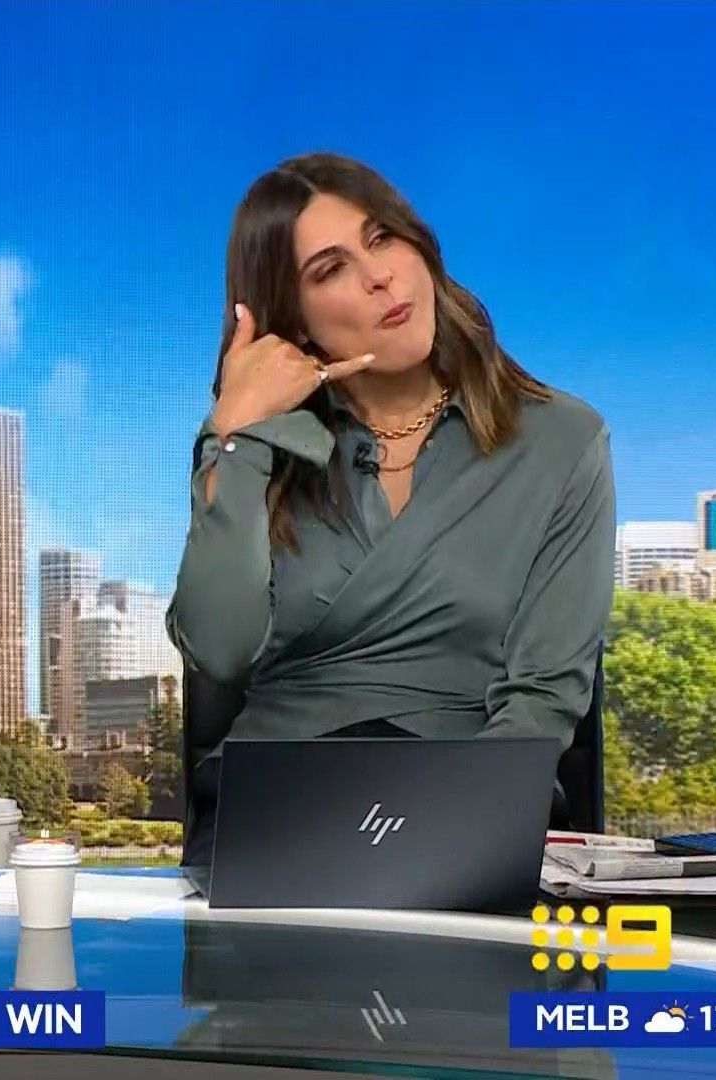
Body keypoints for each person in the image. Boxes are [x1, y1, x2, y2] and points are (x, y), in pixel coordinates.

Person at [170, 152, 614, 853]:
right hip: (274, 818)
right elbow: (218, 652)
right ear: (295, 321)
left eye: (381, 238)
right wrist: (236, 434)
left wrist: (451, 833)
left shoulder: (563, 440)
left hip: (475, 813)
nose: (379, 276)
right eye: (331, 269)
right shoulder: (250, 448)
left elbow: (544, 696)